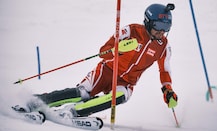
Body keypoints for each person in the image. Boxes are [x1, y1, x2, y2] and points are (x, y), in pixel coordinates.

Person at [13, 3, 178, 118]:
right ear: (148, 22)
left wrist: (168, 90)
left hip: (126, 82)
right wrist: (118, 48)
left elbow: (164, 70)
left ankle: (74, 112)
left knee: (121, 96)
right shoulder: (131, 31)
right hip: (106, 71)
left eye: (166, 28)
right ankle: (35, 102)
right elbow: (103, 52)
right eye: (159, 26)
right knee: (82, 93)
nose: (162, 32)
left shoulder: (163, 47)